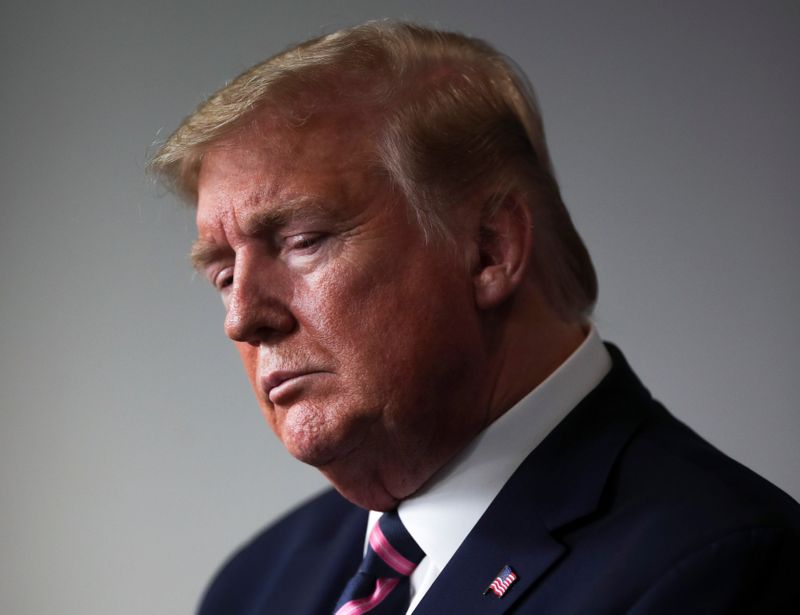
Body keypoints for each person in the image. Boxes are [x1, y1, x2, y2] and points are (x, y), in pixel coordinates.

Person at [150, 21, 800, 614]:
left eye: (303, 240)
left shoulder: (723, 569)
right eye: (224, 272)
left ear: (490, 249)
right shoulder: (253, 585)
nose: (242, 317)